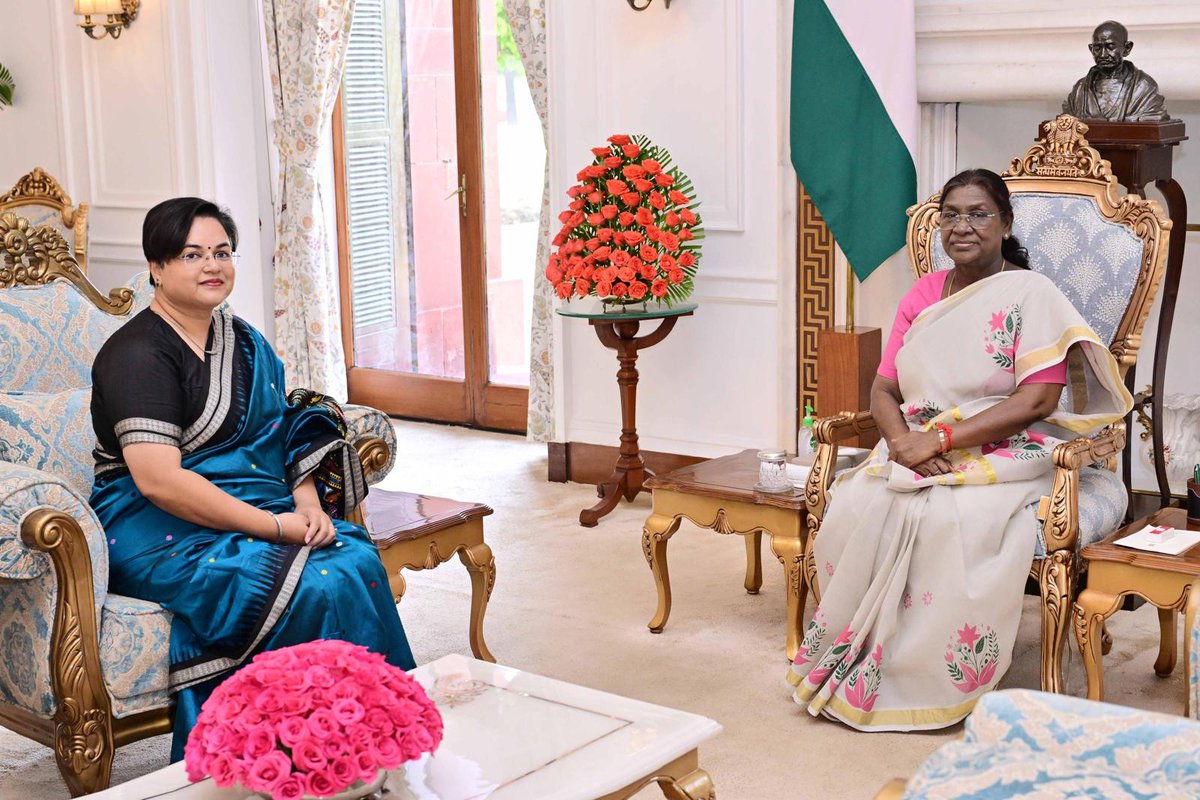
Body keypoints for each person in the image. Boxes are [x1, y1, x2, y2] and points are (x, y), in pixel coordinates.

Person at [786, 169, 1131, 730]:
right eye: (950, 215)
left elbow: (1039, 401)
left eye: (978, 214)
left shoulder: (1031, 294)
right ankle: (869, 661)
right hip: (914, 442)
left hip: (1007, 446)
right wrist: (902, 443)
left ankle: (930, 676)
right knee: (860, 504)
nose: (961, 226)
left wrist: (940, 440)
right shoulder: (923, 294)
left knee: (952, 516)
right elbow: (883, 389)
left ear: (1005, 224)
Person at [90, 198, 415, 760]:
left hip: (252, 504)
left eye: (221, 252)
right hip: (153, 523)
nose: (212, 265)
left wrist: (306, 498)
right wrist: (276, 527)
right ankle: (282, 754)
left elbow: (278, 427)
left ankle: (366, 740)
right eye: (192, 254)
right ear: (156, 267)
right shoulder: (137, 354)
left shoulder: (244, 340)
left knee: (353, 560)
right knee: (303, 584)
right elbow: (159, 482)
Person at [1063, 20, 1170, 122]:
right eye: (1097, 48)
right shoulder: (1080, 89)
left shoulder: (1143, 87)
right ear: (1091, 49)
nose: (1103, 54)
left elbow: (1155, 118)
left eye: (1110, 47)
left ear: (1127, 48)